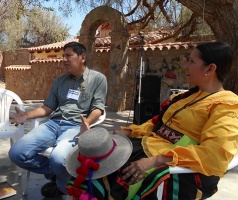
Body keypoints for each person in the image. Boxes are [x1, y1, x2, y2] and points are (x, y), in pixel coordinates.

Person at [66, 41, 238, 200]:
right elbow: (158, 123)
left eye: (192, 62)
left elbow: (215, 155)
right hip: (150, 146)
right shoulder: (186, 97)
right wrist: (128, 132)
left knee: (116, 172)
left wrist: (156, 161)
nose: (185, 66)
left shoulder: (227, 105)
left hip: (176, 162)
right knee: (95, 157)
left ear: (210, 69)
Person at [8, 42, 107, 197]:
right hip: (53, 124)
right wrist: (26, 115)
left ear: (82, 57)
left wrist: (87, 122)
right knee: (16, 153)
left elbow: (98, 108)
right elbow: (47, 107)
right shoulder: (60, 81)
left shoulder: (98, 79)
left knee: (59, 158)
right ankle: (58, 175)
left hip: (75, 126)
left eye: (68, 55)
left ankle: (62, 188)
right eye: (63, 56)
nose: (64, 59)